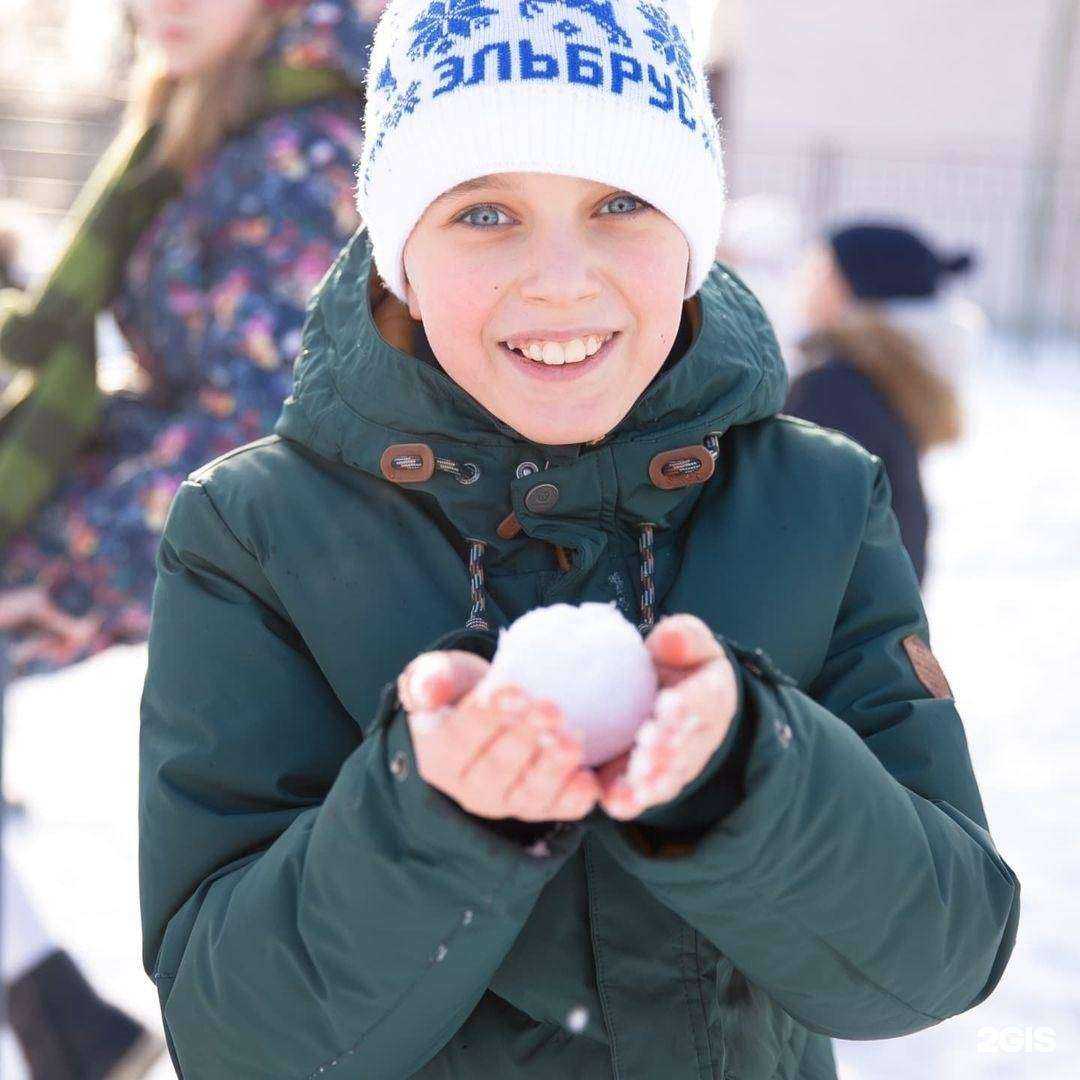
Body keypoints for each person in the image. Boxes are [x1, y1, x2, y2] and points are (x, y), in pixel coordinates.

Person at [139, 1, 1021, 1076]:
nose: (560, 278)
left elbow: (941, 953)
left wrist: (749, 775)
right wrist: (437, 816)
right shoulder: (255, 534)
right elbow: (234, 1041)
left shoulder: (821, 500)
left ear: (694, 234)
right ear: (398, 245)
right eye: (484, 214)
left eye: (619, 201)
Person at [0, 0, 373, 680]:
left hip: (285, 570)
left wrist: (72, 578)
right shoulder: (209, 107)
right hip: (190, 511)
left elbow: (264, 433)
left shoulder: (299, 151)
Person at [784, 222, 975, 584]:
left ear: (854, 288)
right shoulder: (880, 379)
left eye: (820, 270)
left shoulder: (834, 391)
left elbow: (796, 526)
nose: (803, 283)